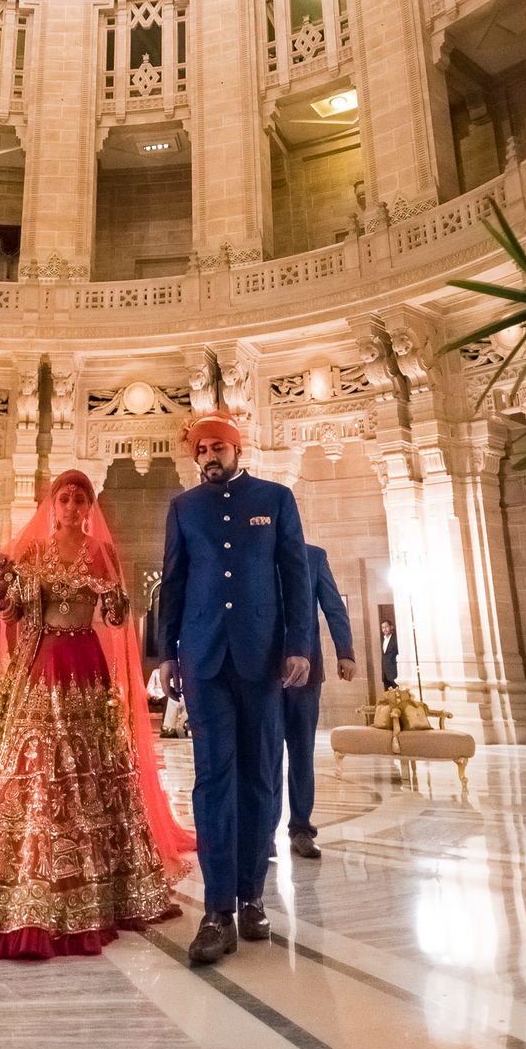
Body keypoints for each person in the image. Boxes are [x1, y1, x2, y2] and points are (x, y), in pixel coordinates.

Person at [0, 469, 194, 959]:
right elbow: (13, 611)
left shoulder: (101, 552)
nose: (72, 506)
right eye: (64, 498)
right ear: (52, 504)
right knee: (35, 766)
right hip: (40, 667)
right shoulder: (34, 551)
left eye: (80, 499)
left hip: (85, 666)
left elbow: (117, 618)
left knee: (89, 769)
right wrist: (0, 588)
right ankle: (24, 866)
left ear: (88, 507)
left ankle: (100, 881)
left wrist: (116, 599)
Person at [158, 412, 312, 967]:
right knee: (213, 779)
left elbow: (295, 574)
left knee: (262, 777)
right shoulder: (184, 508)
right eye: (201, 449)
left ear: (236, 451)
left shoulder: (275, 498)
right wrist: (166, 653)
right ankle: (217, 909)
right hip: (203, 659)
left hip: (262, 655)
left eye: (218, 447)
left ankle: (252, 897)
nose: (209, 456)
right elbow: (172, 581)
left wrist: (300, 645)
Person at [272, 543, 355, 860]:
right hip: (263, 674)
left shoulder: (315, 557)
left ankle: (302, 829)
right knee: (265, 753)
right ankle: (265, 832)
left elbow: (334, 607)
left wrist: (345, 652)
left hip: (307, 673)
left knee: (301, 752)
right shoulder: (257, 551)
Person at [381, 619, 399, 689]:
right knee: (388, 696)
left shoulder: (395, 639)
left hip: (394, 672)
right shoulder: (383, 640)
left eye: (386, 627)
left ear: (391, 627)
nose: (385, 629)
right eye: (383, 627)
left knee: (397, 695)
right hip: (385, 673)